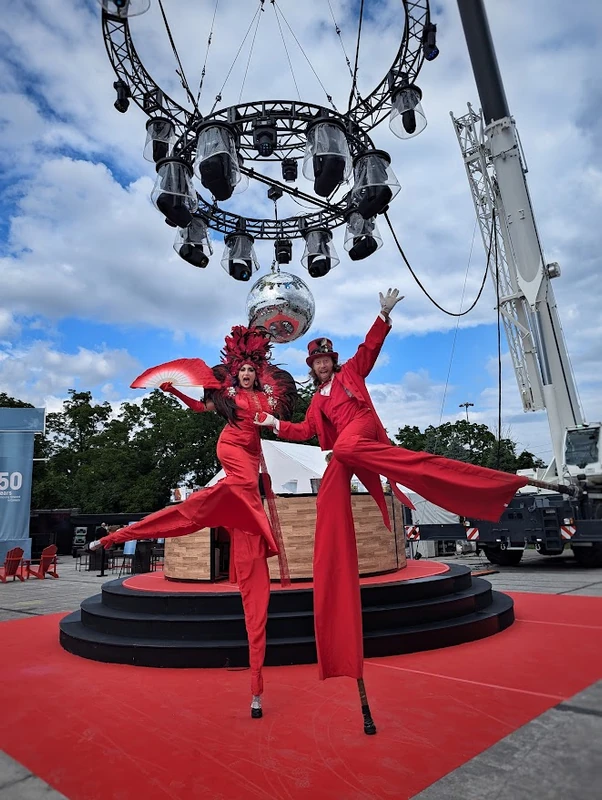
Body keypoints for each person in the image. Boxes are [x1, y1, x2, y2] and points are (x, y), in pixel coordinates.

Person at [255, 288, 528, 725]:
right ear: (312, 367)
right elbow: (305, 431)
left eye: (326, 359)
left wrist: (382, 315)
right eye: (317, 361)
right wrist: (273, 422)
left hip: (361, 434)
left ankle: (455, 481)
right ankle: (334, 564)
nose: (322, 365)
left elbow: (369, 350)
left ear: (333, 361)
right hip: (344, 450)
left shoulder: (351, 374)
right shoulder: (317, 400)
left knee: (346, 450)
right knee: (332, 478)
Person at [87, 325, 297, 718]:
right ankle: (115, 537)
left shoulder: (266, 399)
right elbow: (201, 409)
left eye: (251, 370)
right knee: (199, 508)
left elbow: (283, 424)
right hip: (231, 456)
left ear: (258, 373)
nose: (246, 374)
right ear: (236, 373)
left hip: (250, 469)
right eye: (242, 370)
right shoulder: (229, 397)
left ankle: (256, 689)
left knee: (251, 555)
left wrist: (273, 420)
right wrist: (176, 392)